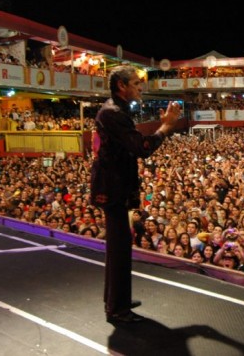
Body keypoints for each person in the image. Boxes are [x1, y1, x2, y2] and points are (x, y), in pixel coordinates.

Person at [90, 65, 180, 324]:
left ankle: (116, 300)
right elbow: (142, 147)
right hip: (113, 189)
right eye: (136, 83)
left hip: (116, 186)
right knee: (118, 248)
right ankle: (117, 309)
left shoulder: (115, 111)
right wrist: (166, 127)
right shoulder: (113, 113)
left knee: (120, 246)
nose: (140, 88)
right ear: (121, 85)